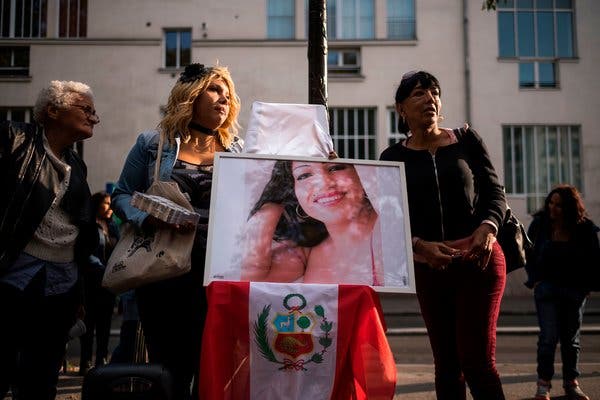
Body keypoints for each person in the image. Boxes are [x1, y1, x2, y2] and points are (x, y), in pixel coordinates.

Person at [111, 62, 242, 399]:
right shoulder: (152, 144)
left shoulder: (239, 151)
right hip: (165, 275)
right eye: (214, 90)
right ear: (191, 95)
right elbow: (122, 194)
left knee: (214, 367)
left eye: (227, 94)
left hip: (220, 275)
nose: (223, 99)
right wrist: (146, 217)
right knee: (170, 369)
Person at [379, 70, 507, 399]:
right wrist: (419, 245)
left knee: (477, 361)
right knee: (447, 364)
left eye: (434, 92)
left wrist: (488, 226)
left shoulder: (466, 140)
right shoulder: (391, 158)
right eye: (419, 93)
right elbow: (390, 217)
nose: (430, 99)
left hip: (479, 261)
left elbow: (495, 192)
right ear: (401, 109)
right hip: (430, 268)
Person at [0, 80, 100, 399]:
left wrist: (79, 295)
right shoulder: (11, 139)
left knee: (41, 381)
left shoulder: (78, 166)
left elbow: (81, 236)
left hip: (61, 286)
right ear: (53, 111)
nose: (94, 118)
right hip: (12, 278)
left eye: (93, 111)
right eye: (85, 109)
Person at [240, 160, 383, 285]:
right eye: (304, 175)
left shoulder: (385, 233)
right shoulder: (308, 251)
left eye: (335, 167)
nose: (323, 183)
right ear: (293, 191)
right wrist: (271, 207)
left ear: (361, 174)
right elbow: (251, 281)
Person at [525, 185, 599, 400]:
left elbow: (594, 260)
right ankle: (543, 384)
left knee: (571, 340)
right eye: (551, 203)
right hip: (547, 289)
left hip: (574, 291)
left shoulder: (584, 229)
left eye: (559, 205)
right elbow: (527, 252)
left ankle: (571, 384)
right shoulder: (540, 225)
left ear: (569, 207)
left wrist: (586, 287)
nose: (553, 208)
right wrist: (536, 280)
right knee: (548, 338)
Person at [78, 191, 119, 375]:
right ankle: (85, 361)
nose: (110, 207)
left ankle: (102, 360)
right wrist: (105, 271)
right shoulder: (89, 226)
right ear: (96, 205)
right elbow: (86, 255)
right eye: (106, 203)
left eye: (111, 203)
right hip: (91, 283)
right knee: (89, 323)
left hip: (108, 285)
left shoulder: (112, 227)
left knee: (105, 324)